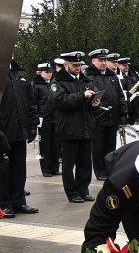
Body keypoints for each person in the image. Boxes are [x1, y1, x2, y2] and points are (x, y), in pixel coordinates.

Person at [52, 51, 101, 203]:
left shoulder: (86, 81)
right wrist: (82, 96)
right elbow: (61, 102)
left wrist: (94, 105)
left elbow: (88, 105)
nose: (78, 67)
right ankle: (72, 193)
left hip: (86, 128)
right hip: (69, 128)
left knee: (85, 163)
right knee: (69, 164)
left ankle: (83, 190)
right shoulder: (58, 82)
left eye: (79, 65)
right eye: (74, 65)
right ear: (66, 65)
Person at [0, 58, 39, 217]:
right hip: (3, 133)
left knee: (19, 169)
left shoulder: (20, 74)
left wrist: (32, 125)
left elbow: (31, 102)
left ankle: (19, 201)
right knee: (3, 171)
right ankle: (4, 204)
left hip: (19, 130)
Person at [83, 48, 127, 180]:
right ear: (93, 61)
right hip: (97, 118)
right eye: (100, 60)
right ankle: (100, 171)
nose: (103, 63)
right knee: (98, 148)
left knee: (110, 147)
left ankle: (109, 169)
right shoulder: (88, 77)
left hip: (112, 117)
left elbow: (120, 96)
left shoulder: (112, 76)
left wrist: (123, 115)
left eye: (105, 60)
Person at [32, 62, 60, 177]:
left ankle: (55, 168)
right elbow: (33, 102)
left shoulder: (53, 84)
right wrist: (36, 117)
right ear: (40, 72)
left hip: (55, 117)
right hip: (43, 118)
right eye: (46, 72)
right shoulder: (36, 85)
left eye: (50, 72)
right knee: (45, 145)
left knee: (55, 144)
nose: (49, 74)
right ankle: (46, 169)